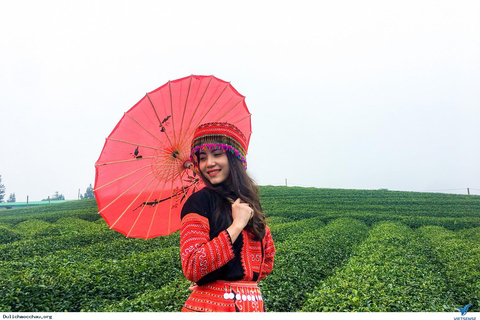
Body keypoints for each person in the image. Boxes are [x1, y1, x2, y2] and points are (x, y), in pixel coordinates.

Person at [180, 122, 276, 312]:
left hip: (253, 306)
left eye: (217, 154)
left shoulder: (247, 202)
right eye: (202, 157)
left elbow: (266, 262)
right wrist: (236, 226)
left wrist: (223, 278)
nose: (209, 163)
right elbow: (192, 266)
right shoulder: (199, 202)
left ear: (234, 157)